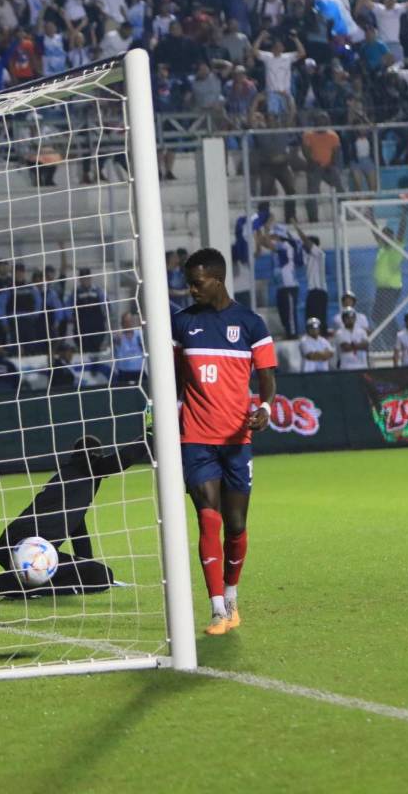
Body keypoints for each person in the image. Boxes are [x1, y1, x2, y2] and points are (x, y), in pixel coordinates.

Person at [171, 248, 276, 635]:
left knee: (235, 524)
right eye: (188, 282)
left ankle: (231, 596)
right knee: (207, 517)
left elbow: (266, 376)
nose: (190, 289)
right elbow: (169, 378)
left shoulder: (250, 323)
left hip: (236, 439)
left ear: (217, 279)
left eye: (196, 283)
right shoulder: (180, 324)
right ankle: (216, 608)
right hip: (195, 437)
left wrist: (264, 405)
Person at [0, 432, 151, 605]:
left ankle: (20, 588)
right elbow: (120, 460)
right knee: (99, 577)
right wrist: (148, 438)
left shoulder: (68, 482)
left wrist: (86, 564)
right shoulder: (86, 468)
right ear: (94, 456)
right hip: (30, 545)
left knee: (99, 575)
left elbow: (77, 526)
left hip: (14, 541)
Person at [370, 221, 408, 350]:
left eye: (387, 236)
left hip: (391, 288)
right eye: (383, 235)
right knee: (376, 316)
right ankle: (390, 340)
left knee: (387, 315)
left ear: (392, 237)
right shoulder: (382, 248)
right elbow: (375, 233)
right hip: (381, 288)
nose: (384, 238)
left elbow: (401, 234)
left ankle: (397, 341)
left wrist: (404, 217)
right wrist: (370, 219)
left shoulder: (396, 248)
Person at [71, 268, 109, 353]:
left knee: (96, 353)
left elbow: (107, 307)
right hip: (82, 330)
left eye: (87, 278)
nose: (85, 280)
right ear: (79, 279)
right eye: (83, 278)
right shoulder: (75, 293)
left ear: (90, 278)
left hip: (97, 329)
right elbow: (69, 309)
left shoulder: (98, 291)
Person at [112, 313, 145, 386]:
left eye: (130, 321)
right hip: (124, 373)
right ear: (122, 323)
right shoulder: (118, 336)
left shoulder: (139, 334)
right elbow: (115, 339)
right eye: (126, 321)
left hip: (139, 371)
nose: (129, 323)